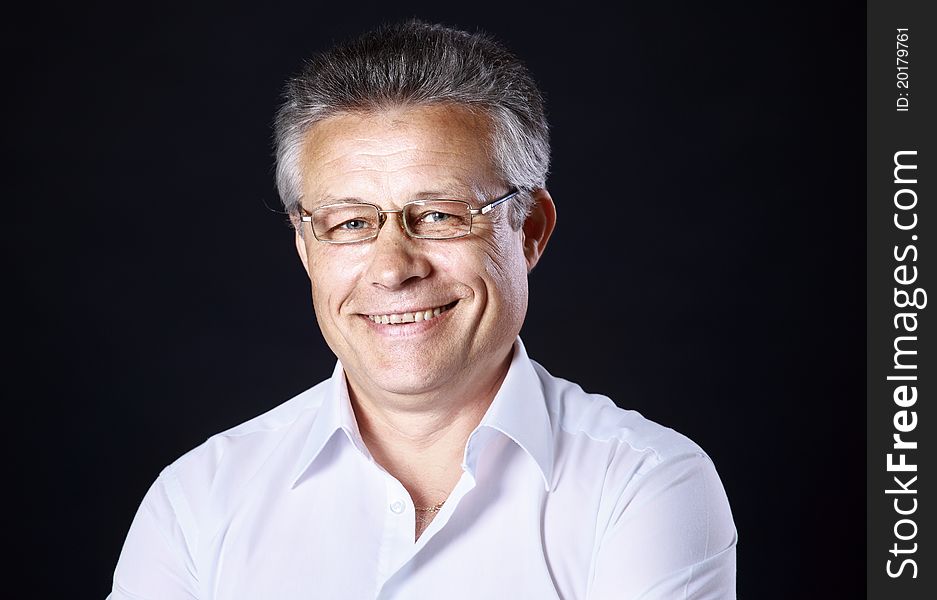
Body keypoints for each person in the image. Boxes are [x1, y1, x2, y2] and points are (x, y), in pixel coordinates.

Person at [108, 20, 737, 599]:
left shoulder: (644, 486)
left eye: (439, 215)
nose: (393, 268)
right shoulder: (198, 501)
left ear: (530, 229)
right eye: (351, 222)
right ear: (306, 247)